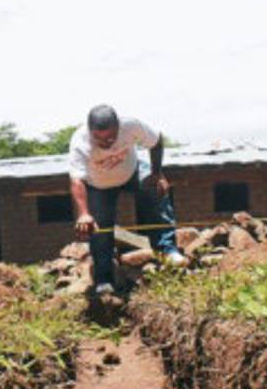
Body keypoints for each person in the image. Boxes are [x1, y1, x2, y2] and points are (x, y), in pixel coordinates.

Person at [68, 104, 186, 295]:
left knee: (156, 189)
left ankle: (168, 250)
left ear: (118, 127)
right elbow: (76, 180)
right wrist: (83, 213)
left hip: (132, 172)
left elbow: (156, 141)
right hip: (99, 185)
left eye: (110, 137)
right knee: (99, 227)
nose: (105, 142)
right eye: (98, 138)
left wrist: (157, 173)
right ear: (90, 131)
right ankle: (104, 279)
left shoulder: (131, 125)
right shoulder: (80, 142)